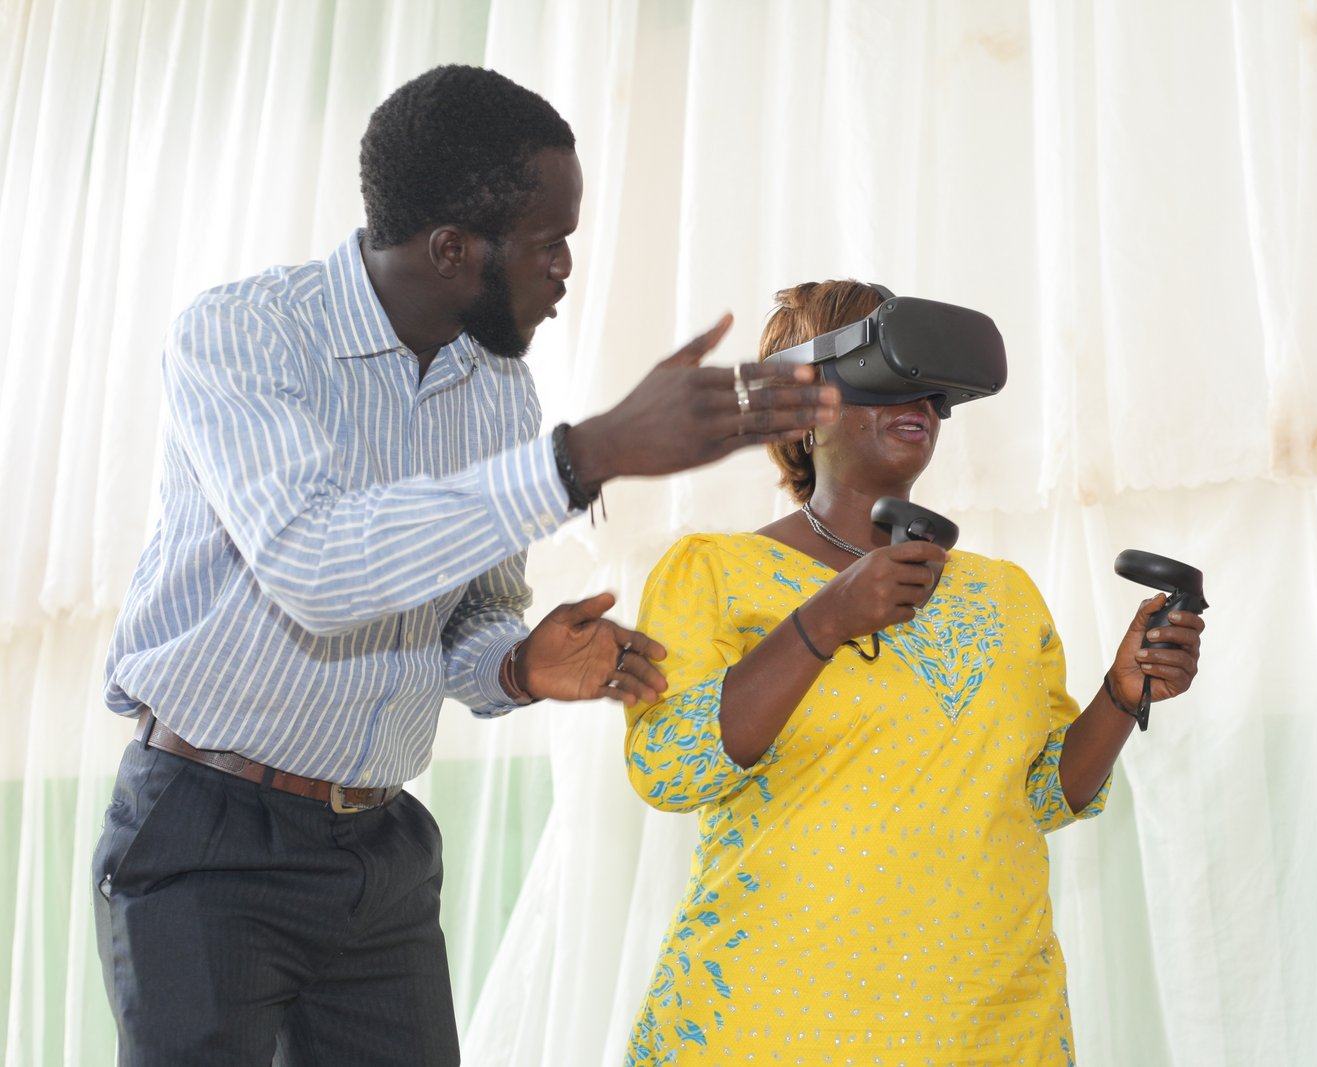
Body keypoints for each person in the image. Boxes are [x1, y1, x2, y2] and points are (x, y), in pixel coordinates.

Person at [91, 65, 839, 1066]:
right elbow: (314, 565)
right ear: (452, 248)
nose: (566, 268)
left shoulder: (499, 391)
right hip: (207, 835)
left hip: (379, 850)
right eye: (548, 242)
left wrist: (520, 662)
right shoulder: (244, 334)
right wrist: (587, 455)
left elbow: (464, 614)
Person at [622, 280, 1203, 1064]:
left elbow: (1039, 795)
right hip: (775, 1027)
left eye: (932, 387)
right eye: (884, 373)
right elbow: (668, 768)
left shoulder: (1004, 594)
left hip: (991, 1030)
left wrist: (1120, 694)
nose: (920, 401)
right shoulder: (715, 573)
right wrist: (822, 622)